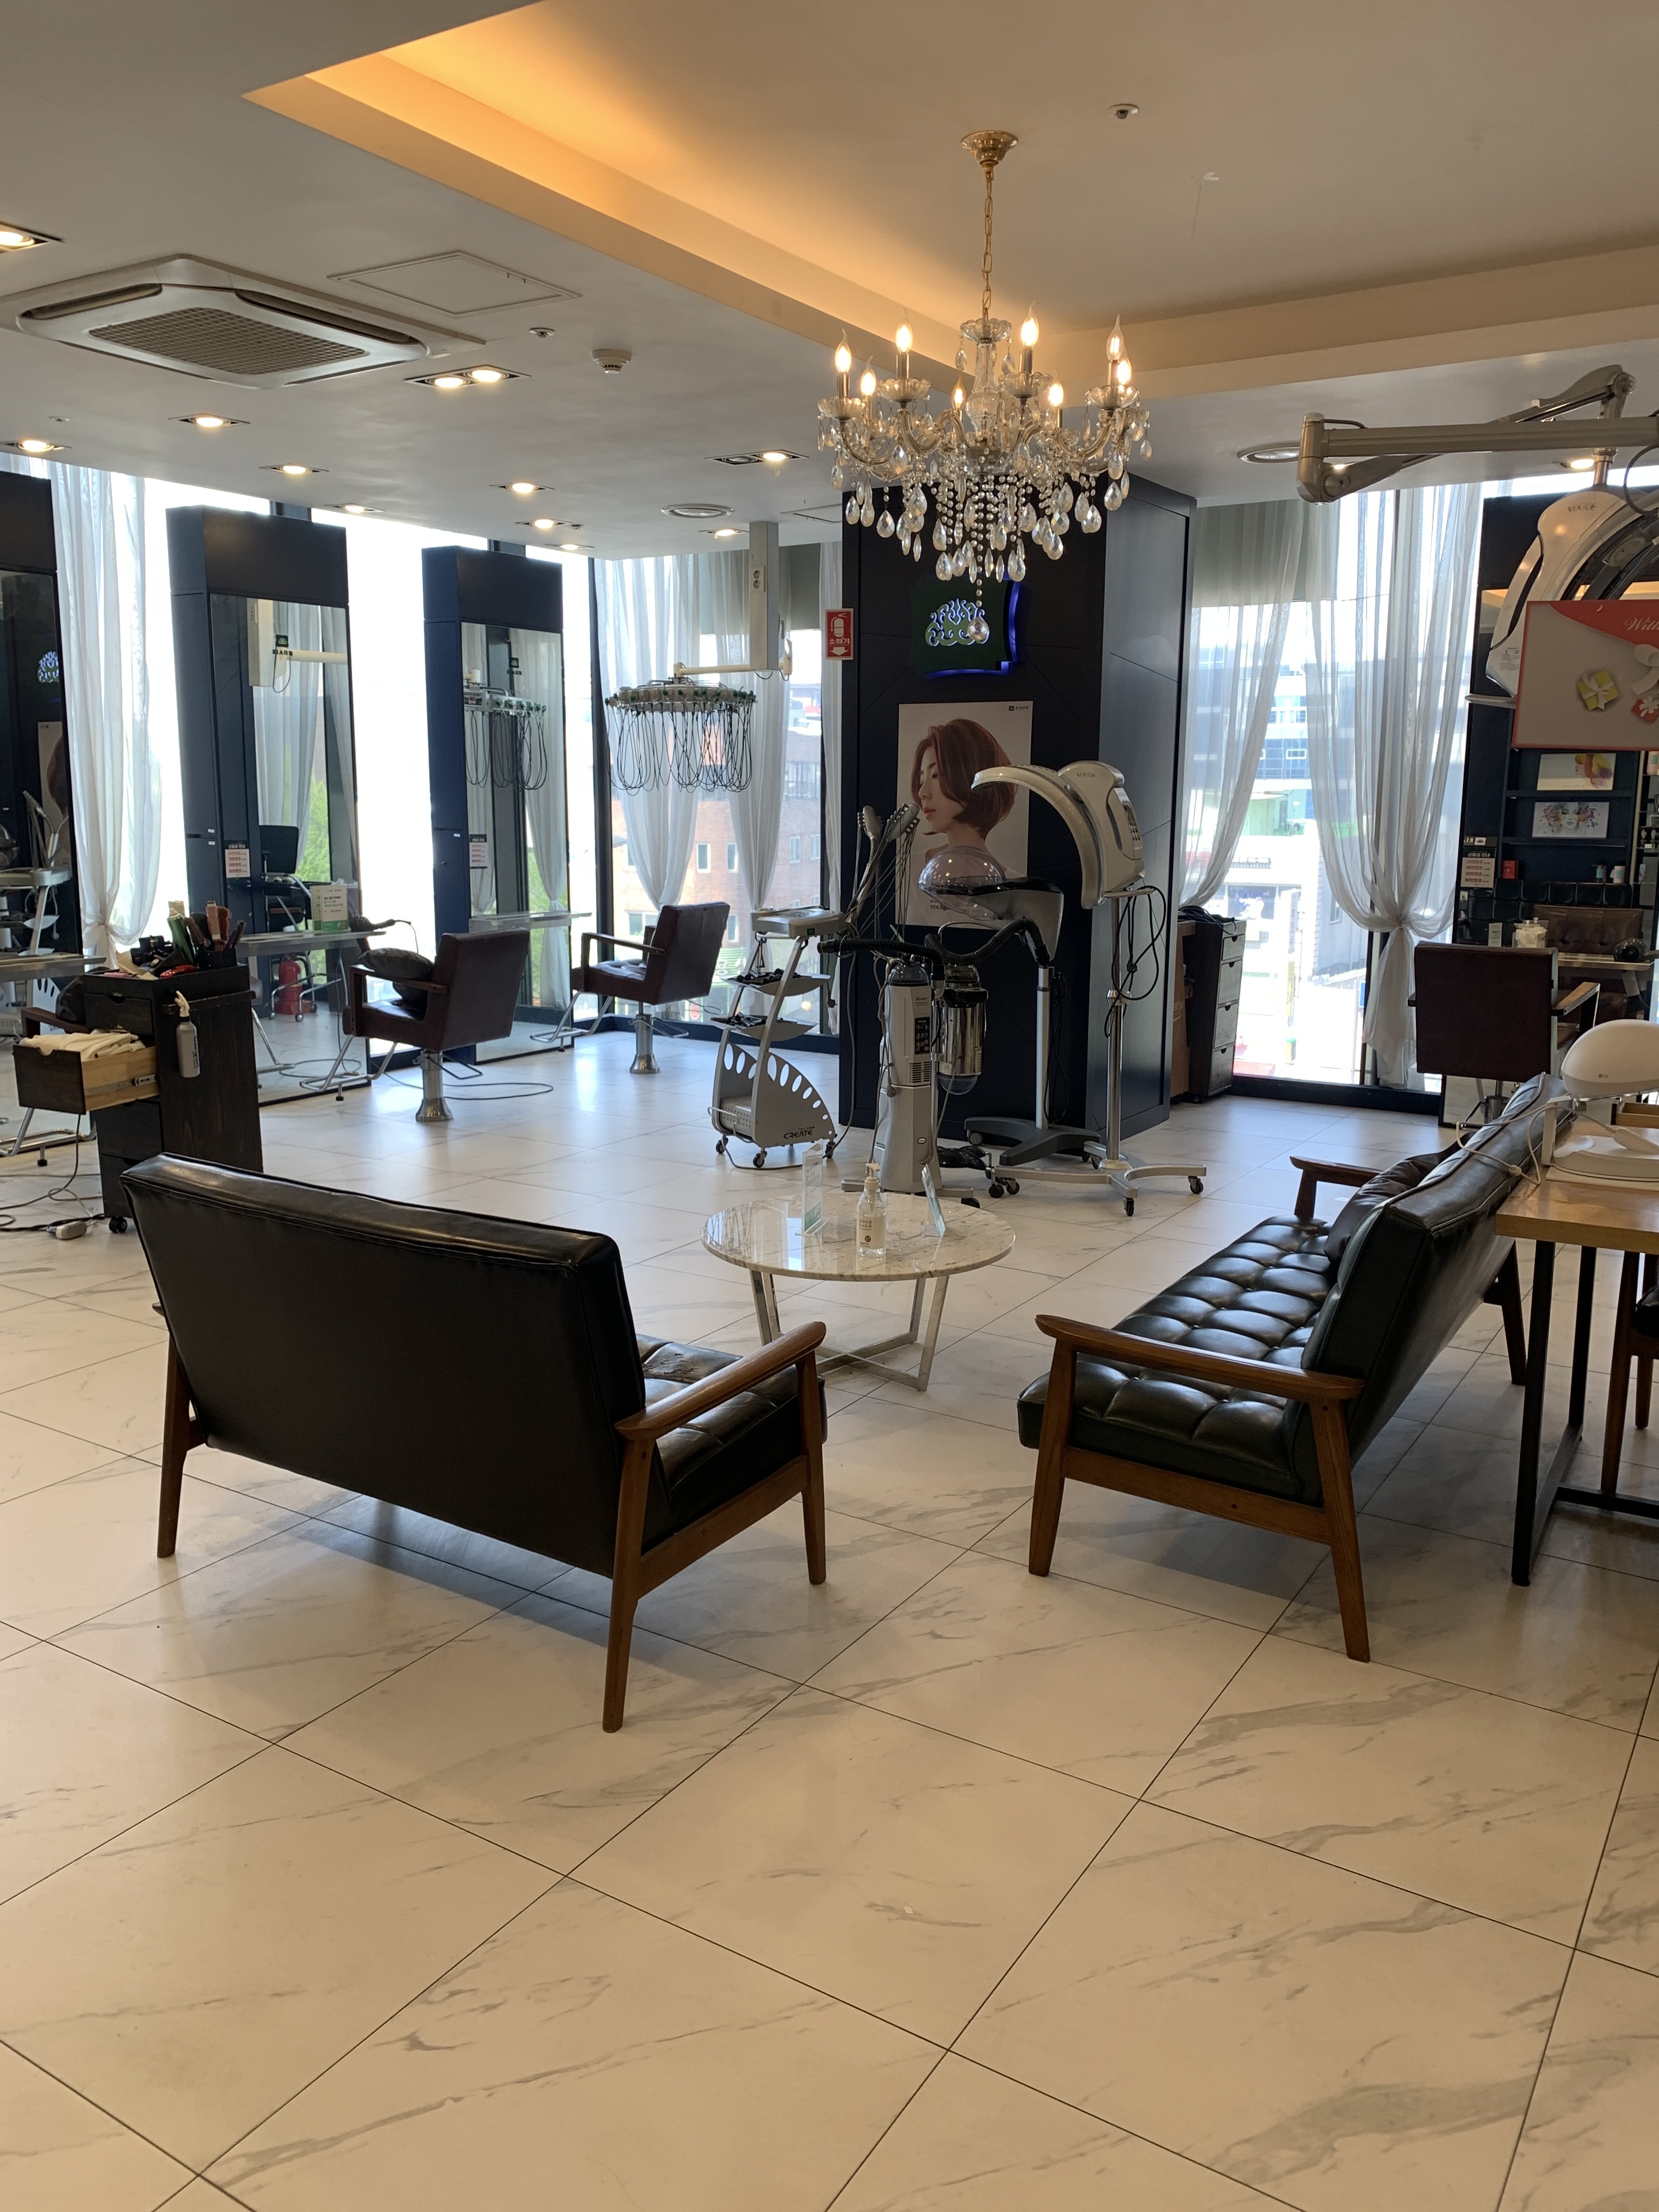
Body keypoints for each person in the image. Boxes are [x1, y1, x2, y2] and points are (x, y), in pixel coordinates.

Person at [909, 718, 1016, 855]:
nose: (922, 793)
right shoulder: (911, 865)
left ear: (971, 775)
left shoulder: (1005, 873)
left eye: (936, 775)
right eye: (921, 781)